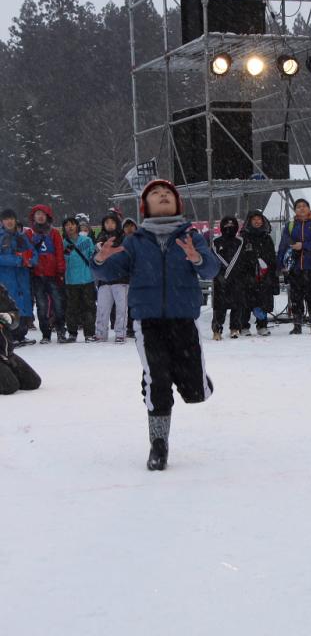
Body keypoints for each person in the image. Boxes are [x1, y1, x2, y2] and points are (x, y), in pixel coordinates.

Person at [91, 179, 220, 471]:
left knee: (194, 391)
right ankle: (158, 444)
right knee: (157, 381)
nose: (162, 196)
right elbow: (104, 271)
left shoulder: (191, 236)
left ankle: (196, 381)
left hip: (183, 318)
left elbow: (212, 269)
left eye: (167, 194)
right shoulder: (135, 241)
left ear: (177, 204)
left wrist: (197, 257)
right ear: (145, 206)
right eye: (155, 194)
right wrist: (100, 258)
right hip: (148, 322)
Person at [277, 198, 311, 335]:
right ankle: (297, 325)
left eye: (304, 206)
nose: (302, 208)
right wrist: (280, 264)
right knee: (296, 298)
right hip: (295, 269)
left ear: (309, 208)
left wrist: (303, 246)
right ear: (295, 210)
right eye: (298, 206)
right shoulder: (290, 226)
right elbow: (283, 246)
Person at [26, 204, 67, 344]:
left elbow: (59, 252)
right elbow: (27, 252)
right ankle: (46, 334)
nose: (40, 216)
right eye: (37, 214)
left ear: (47, 216)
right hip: (37, 275)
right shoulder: (29, 233)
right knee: (42, 306)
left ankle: (61, 331)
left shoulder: (54, 233)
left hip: (53, 274)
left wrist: (61, 270)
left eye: (43, 214)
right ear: (34, 217)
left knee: (58, 304)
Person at [0, 208, 38, 346]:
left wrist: (31, 261)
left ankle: (21, 335)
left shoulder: (22, 237)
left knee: (24, 307)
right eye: (6, 219)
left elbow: (33, 253)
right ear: (2, 221)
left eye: (12, 219)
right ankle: (10, 337)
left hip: (22, 278)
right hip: (7, 280)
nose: (9, 221)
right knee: (9, 307)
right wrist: (17, 260)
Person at [240, 210, 279, 336]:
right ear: (249, 221)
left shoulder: (266, 237)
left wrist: (271, 273)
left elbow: (272, 257)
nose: (257, 222)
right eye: (254, 219)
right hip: (248, 275)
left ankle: (262, 325)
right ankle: (244, 326)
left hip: (264, 275)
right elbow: (240, 257)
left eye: (259, 219)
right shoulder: (244, 237)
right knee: (246, 301)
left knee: (263, 300)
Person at [0, 283, 42, 395]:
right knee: (10, 387)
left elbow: (15, 314)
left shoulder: (1, 291)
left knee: (33, 382)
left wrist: (11, 318)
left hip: (6, 351)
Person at [94, 211, 129, 342]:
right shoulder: (99, 238)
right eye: (107, 222)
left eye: (112, 222)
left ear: (117, 223)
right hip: (104, 280)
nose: (109, 225)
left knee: (121, 309)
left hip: (122, 279)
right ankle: (100, 333)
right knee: (102, 308)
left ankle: (120, 333)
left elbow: (128, 257)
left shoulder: (124, 238)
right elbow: (95, 259)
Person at [62, 216, 97, 342]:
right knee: (71, 308)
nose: (70, 227)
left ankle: (89, 333)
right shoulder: (63, 243)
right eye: (67, 225)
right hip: (71, 281)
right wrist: (66, 253)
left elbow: (93, 257)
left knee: (89, 307)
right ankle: (72, 333)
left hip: (87, 279)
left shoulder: (87, 240)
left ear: (77, 226)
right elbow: (62, 262)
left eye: (72, 224)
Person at [211, 215, 245, 339]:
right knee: (219, 306)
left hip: (237, 279)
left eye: (232, 225)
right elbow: (213, 260)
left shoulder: (240, 242)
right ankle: (217, 330)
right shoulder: (216, 242)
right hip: (220, 279)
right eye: (226, 225)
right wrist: (220, 275)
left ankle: (235, 328)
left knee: (237, 304)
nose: (229, 228)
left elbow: (243, 260)